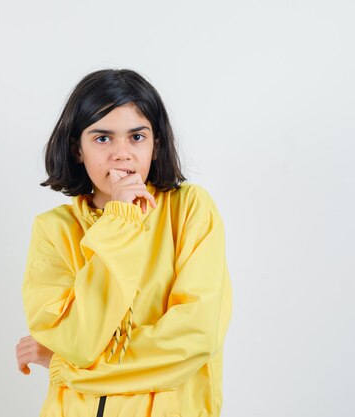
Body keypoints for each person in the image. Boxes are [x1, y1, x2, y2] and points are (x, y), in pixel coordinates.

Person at [16, 68, 232, 417]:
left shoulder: (190, 208)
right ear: (77, 150)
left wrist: (65, 367)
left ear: (156, 144)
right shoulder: (53, 230)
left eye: (136, 137)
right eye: (102, 138)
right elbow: (79, 342)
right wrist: (120, 219)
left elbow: (194, 340)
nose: (122, 153)